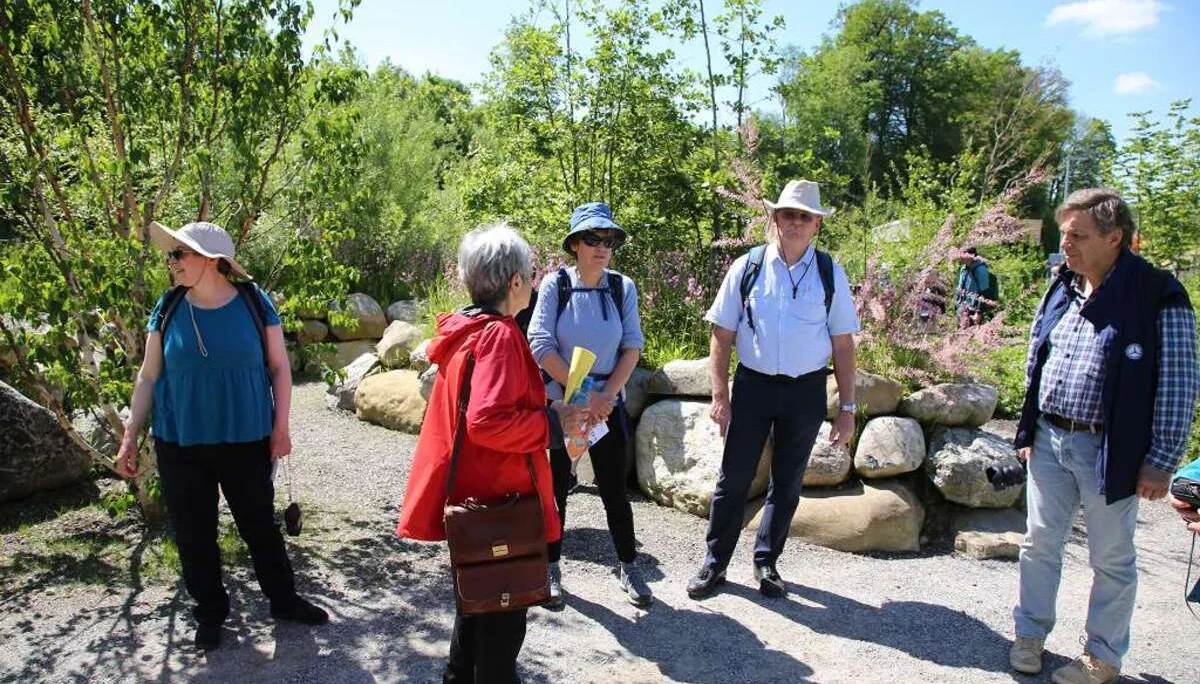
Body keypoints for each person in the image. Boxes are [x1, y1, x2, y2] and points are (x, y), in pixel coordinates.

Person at [1008, 189, 1198, 684]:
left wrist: (1161, 459)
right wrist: (1028, 427)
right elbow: (1036, 356)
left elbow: (1179, 382)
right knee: (1038, 543)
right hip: (1050, 438)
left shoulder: (1158, 294)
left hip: (1109, 449)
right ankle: (1029, 634)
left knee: (1111, 558)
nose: (1065, 243)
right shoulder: (1063, 285)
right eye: (1064, 233)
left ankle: (1103, 658)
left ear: (1115, 238)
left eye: (1078, 235)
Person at [115, 221, 328, 652]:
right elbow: (148, 375)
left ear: (212, 261)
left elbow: (279, 367)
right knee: (194, 533)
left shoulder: (253, 302)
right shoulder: (168, 306)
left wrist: (281, 427)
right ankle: (210, 612)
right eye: (171, 254)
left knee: (258, 525)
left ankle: (283, 600)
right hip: (180, 440)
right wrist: (129, 434)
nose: (171, 262)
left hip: (246, 436)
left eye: (179, 254)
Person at [396, 224, 585, 684]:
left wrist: (545, 411)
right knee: (499, 637)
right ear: (515, 281)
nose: (534, 282)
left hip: (477, 501)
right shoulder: (499, 334)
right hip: (501, 506)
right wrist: (553, 425)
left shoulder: (468, 330)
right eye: (530, 274)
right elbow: (486, 420)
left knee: (476, 609)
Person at [686, 179, 860, 600]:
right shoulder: (747, 267)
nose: (795, 222)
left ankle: (767, 561)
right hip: (754, 387)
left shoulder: (829, 273)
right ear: (775, 219)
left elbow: (843, 343)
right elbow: (721, 334)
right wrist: (720, 396)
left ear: (817, 224)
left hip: (806, 391)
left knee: (787, 482)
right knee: (734, 478)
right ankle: (715, 563)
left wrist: (848, 408)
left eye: (804, 216)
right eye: (788, 214)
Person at [527, 201, 652, 608]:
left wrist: (606, 396)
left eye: (609, 240)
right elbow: (540, 344)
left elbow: (632, 347)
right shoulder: (555, 285)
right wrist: (584, 394)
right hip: (563, 404)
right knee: (556, 488)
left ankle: (629, 565)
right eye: (593, 238)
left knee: (614, 488)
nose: (602, 247)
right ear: (575, 244)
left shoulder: (622, 287)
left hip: (606, 406)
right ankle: (550, 567)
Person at [954, 247, 994, 327]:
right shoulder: (963, 269)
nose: (960, 257)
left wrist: (978, 313)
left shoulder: (981, 270)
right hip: (963, 307)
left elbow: (985, 292)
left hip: (974, 309)